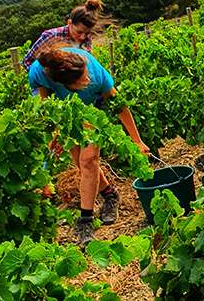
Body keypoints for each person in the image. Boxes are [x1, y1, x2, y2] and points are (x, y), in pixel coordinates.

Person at [29, 43, 150, 246]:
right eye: (82, 80)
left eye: (86, 75)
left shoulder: (97, 76)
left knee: (88, 161)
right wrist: (53, 134)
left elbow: (120, 106)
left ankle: (85, 220)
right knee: (79, 162)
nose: (88, 79)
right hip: (65, 111)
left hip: (91, 110)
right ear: (67, 84)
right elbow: (44, 103)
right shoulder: (40, 72)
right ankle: (110, 194)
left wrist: (137, 141)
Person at [22, 0, 107, 71]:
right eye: (79, 32)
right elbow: (27, 61)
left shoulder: (87, 38)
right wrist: (44, 78)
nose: (82, 37)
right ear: (69, 23)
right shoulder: (52, 36)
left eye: (87, 33)